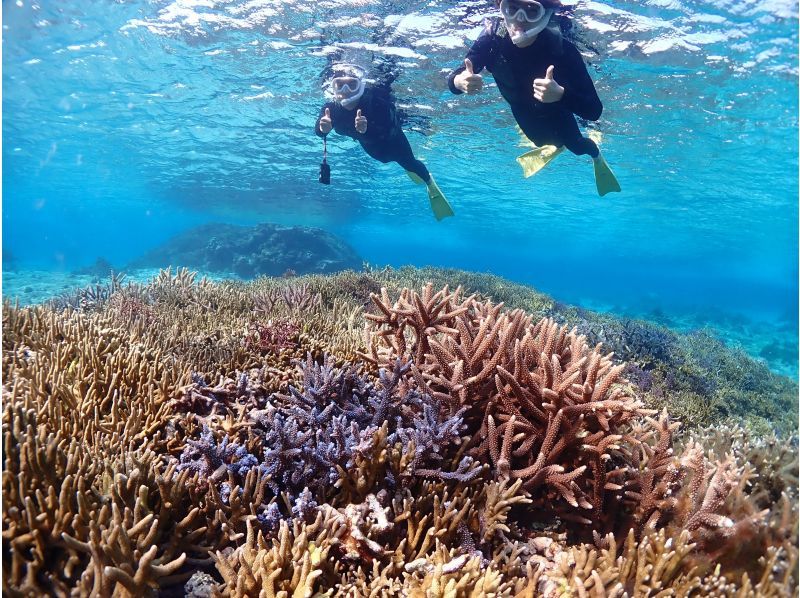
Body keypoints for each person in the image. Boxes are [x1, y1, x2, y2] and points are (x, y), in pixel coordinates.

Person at [447, 0, 621, 196]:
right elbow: (458, 75)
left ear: (546, 14)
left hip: (556, 110)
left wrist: (561, 95)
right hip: (520, 108)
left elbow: (594, 111)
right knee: (540, 141)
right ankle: (556, 146)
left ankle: (596, 155)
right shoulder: (492, 40)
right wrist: (459, 82)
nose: (519, 20)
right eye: (512, 8)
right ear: (501, 8)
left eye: (531, 11)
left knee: (577, 147)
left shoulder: (562, 49)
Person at [315, 64, 454, 220]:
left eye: (352, 85)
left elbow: (387, 130)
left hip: (393, 141)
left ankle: (429, 183)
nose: (345, 90)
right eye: (339, 85)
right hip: (372, 148)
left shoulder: (375, 101)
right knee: (384, 160)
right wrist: (323, 128)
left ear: (361, 86)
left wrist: (365, 131)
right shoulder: (331, 108)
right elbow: (319, 131)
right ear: (332, 87)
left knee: (410, 164)